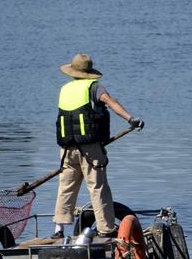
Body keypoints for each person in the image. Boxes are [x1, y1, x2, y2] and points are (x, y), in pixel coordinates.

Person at [52, 53, 144, 240]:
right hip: (90, 148)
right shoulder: (93, 87)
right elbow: (110, 102)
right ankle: (106, 229)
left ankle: (58, 229)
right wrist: (130, 119)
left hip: (67, 149)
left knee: (66, 187)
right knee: (98, 187)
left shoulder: (65, 89)